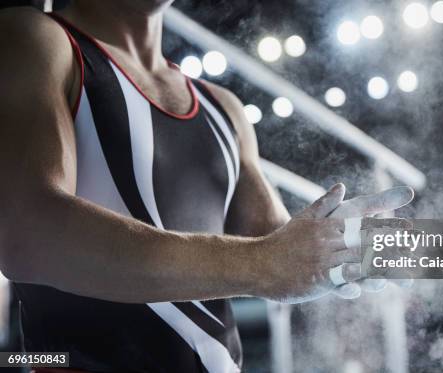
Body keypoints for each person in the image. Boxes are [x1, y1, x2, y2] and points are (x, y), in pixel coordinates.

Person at [0, 1, 413, 372]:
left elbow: (281, 246)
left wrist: (346, 246)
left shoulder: (225, 108)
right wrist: (266, 263)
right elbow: (26, 233)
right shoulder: (35, 39)